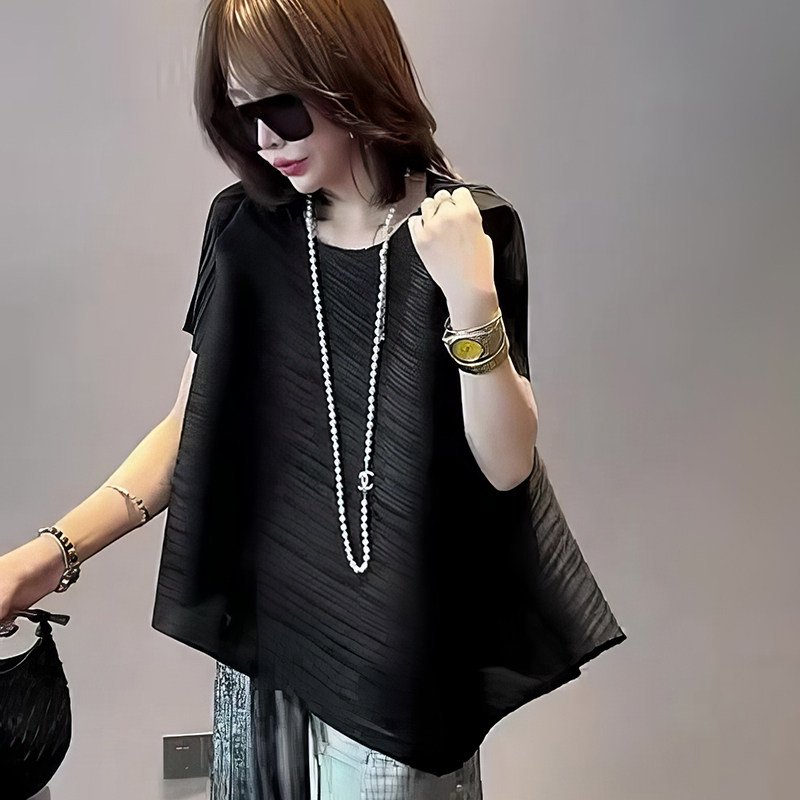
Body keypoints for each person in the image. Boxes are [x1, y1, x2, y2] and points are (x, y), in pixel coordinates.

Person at [0, 1, 627, 799]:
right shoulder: (244, 229)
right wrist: (45, 557)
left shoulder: (466, 230)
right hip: (263, 659)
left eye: (284, 107)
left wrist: (472, 301)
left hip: (396, 673)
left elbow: (506, 465)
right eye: (242, 113)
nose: (265, 139)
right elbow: (187, 433)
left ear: (347, 76)